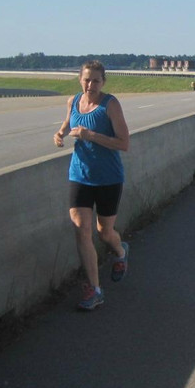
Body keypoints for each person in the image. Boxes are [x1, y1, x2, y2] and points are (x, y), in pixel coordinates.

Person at [53, 60, 131, 311]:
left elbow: (123, 143)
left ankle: (120, 252)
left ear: (103, 82)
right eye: (87, 79)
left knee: (104, 232)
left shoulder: (111, 105)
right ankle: (95, 290)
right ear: (80, 79)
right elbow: (68, 123)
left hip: (108, 178)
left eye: (96, 80)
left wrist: (91, 136)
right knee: (80, 228)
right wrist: (60, 134)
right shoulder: (73, 101)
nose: (91, 85)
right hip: (80, 175)